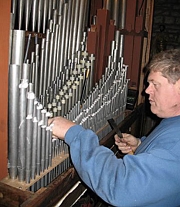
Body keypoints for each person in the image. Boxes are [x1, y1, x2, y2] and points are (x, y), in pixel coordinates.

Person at [48, 49, 180, 207]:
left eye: (155, 84)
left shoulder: (176, 146)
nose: (146, 90)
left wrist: (73, 133)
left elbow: (120, 186)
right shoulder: (173, 120)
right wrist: (140, 145)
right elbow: (164, 150)